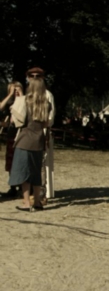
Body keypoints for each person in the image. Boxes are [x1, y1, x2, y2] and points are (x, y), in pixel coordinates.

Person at [9, 78, 51, 211]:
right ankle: (37, 201)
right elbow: (45, 123)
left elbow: (18, 121)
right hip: (38, 140)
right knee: (36, 172)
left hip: (25, 139)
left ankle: (27, 202)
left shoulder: (25, 101)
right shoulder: (47, 104)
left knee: (23, 172)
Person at [25, 67, 55, 200]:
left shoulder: (47, 95)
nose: (35, 77)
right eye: (32, 75)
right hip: (26, 135)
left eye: (38, 75)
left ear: (43, 78)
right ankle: (30, 191)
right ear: (28, 77)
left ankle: (41, 193)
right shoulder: (26, 95)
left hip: (41, 133)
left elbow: (50, 118)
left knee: (41, 164)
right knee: (28, 163)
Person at [0, 82, 24, 198]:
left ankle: (22, 187)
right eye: (12, 90)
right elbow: (0, 106)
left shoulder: (24, 101)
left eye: (16, 90)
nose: (15, 92)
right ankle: (13, 186)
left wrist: (21, 94)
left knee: (21, 162)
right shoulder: (9, 102)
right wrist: (10, 95)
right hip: (11, 134)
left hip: (22, 135)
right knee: (10, 161)